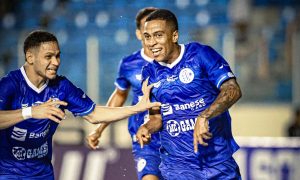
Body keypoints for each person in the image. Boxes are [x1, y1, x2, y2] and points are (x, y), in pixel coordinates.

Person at [0, 30, 160, 180]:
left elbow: (95, 114)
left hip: (42, 173)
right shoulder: (10, 85)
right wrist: (30, 112)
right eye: (48, 56)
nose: (55, 62)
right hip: (7, 172)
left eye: (58, 56)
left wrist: (136, 108)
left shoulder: (61, 87)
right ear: (30, 57)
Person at [136, 9, 242, 179]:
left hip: (218, 162)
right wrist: (147, 127)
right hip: (178, 167)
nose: (152, 43)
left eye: (158, 35)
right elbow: (157, 117)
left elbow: (233, 89)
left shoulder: (201, 55)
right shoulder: (149, 73)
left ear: (174, 36)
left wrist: (205, 116)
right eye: (147, 37)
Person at [86, 7, 163, 180]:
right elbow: (120, 95)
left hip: (173, 133)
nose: (151, 34)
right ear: (138, 33)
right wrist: (99, 129)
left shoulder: (174, 60)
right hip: (144, 135)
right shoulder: (129, 64)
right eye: (146, 30)